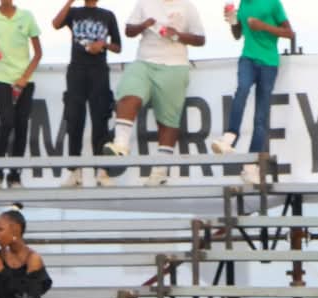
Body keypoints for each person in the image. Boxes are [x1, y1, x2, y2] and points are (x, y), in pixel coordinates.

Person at [102, 0, 205, 186]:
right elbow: (129, 31)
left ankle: (159, 170)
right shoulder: (144, 3)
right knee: (128, 92)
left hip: (175, 66)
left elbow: (200, 39)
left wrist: (177, 35)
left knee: (168, 120)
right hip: (144, 61)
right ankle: (120, 144)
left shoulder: (188, 6)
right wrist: (144, 25)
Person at [211, 0, 295, 186]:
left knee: (260, 117)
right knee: (242, 89)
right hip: (248, 58)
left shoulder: (273, 3)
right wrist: (233, 21)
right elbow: (237, 34)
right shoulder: (243, 5)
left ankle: (250, 166)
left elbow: (290, 33)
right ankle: (230, 137)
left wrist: (263, 26)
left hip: (269, 63)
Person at [52, 0, 122, 188]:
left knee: (100, 120)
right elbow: (55, 24)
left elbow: (118, 46)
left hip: (99, 70)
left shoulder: (107, 15)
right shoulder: (74, 12)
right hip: (77, 70)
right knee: (74, 120)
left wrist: (103, 45)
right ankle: (75, 172)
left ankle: (102, 171)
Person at [0, 1, 42, 189]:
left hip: (24, 80)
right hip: (0, 78)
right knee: (7, 121)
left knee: (21, 125)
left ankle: (15, 175)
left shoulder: (26, 16)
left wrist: (24, 77)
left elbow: (38, 53)